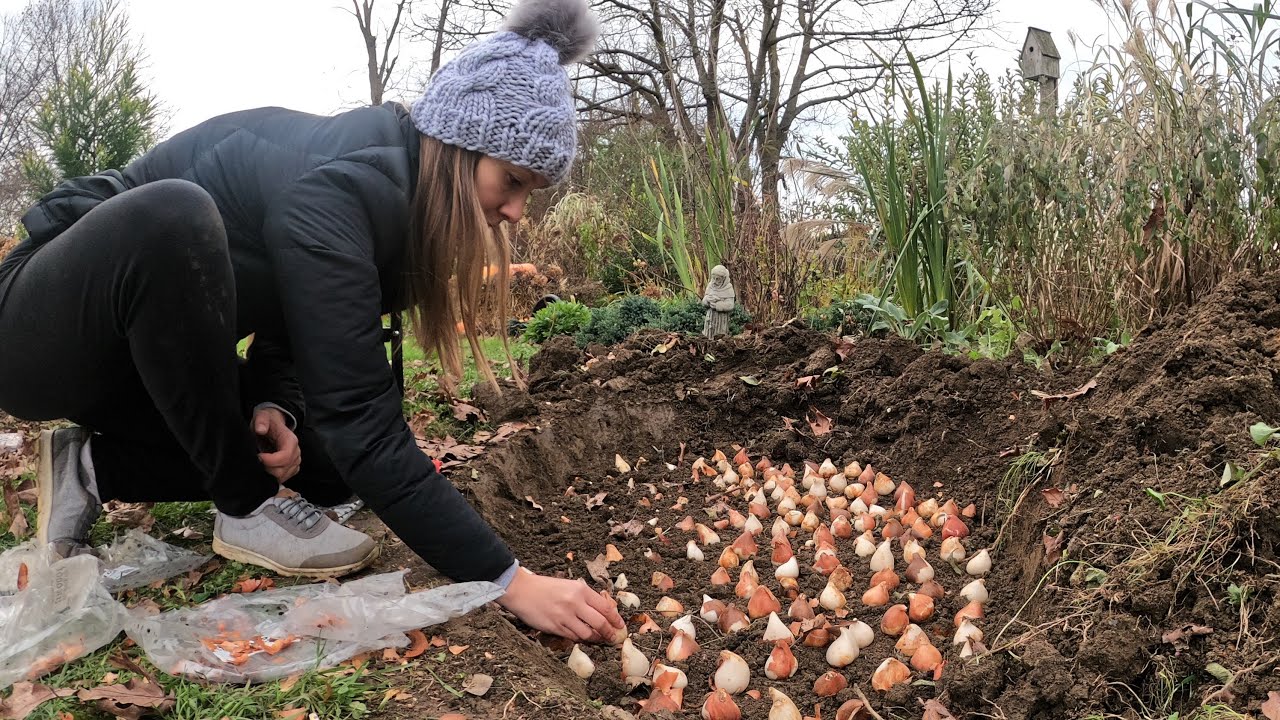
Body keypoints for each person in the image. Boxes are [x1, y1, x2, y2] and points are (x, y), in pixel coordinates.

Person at [0, 0, 625, 644]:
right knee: (173, 218)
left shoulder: (405, 218)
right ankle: (241, 505)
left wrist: (274, 401)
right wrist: (509, 581)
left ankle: (93, 465)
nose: (518, 212)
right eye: (513, 181)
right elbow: (364, 424)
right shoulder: (347, 190)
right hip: (39, 333)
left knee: (324, 469)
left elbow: (295, 328)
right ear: (461, 148)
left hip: (144, 367)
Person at [701, 265, 736, 338]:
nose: (714, 281)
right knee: (708, 336)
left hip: (721, 318)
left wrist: (718, 305)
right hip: (710, 317)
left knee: (719, 336)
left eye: (718, 279)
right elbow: (704, 300)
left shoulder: (728, 288)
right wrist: (707, 300)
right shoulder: (710, 285)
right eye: (713, 278)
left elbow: (730, 305)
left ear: (723, 279)